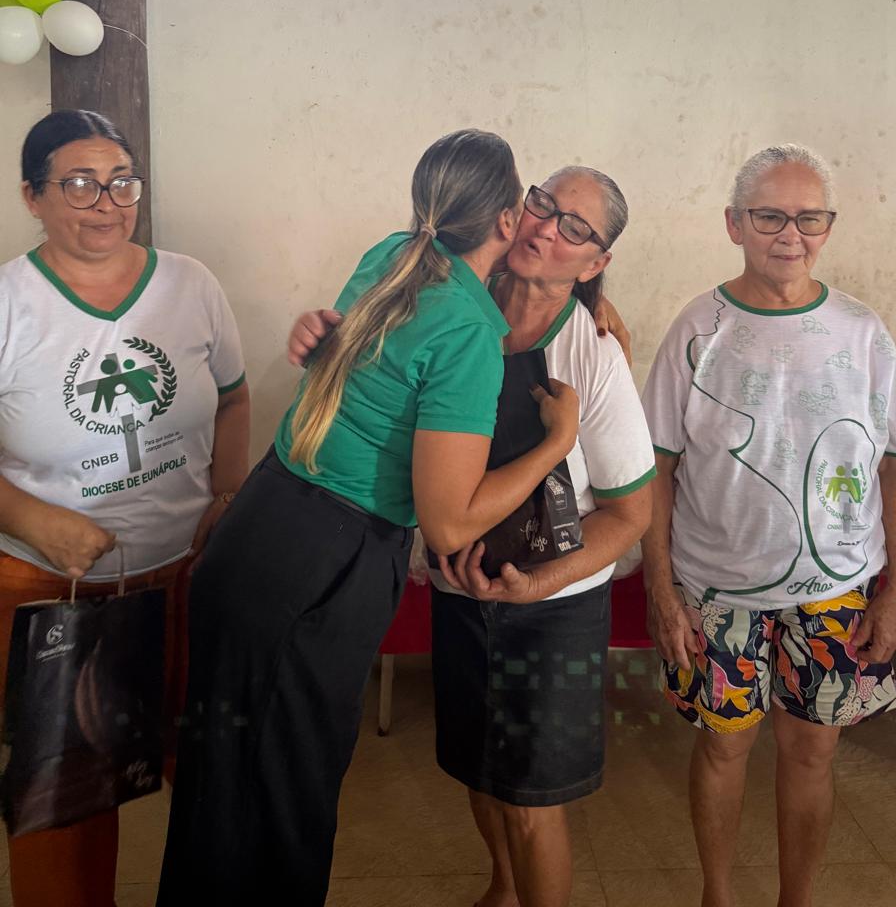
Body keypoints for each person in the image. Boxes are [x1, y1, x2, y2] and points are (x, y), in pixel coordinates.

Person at [158, 128, 580, 906]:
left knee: (220, 782)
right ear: (506, 218)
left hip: (264, 521)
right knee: (286, 797)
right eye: (532, 202)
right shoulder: (469, 332)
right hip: (327, 560)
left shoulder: (394, 253)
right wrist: (557, 442)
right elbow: (448, 525)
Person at [640, 143, 896, 907]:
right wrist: (662, 591)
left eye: (809, 218)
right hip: (717, 590)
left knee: (811, 754)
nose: (790, 235)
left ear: (828, 226)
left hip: (835, 590)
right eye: (769, 217)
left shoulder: (862, 332)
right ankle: (718, 895)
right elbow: (656, 467)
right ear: (734, 224)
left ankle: (796, 899)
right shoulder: (698, 330)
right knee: (722, 749)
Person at [0, 109, 249, 907]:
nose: (106, 202)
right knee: (64, 801)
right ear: (32, 196)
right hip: (50, 590)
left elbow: (235, 398)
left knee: (206, 769)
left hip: (182, 578)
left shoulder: (190, 284)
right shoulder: (8, 302)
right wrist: (32, 521)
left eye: (120, 182)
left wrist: (226, 495)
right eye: (78, 183)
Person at [434, 167, 655, 907]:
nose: (547, 228)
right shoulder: (457, 302)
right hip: (460, 589)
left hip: (554, 610)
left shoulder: (593, 354)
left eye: (575, 229)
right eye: (543, 205)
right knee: (479, 773)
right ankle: (502, 889)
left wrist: (538, 584)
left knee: (532, 801)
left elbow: (630, 514)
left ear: (595, 264)